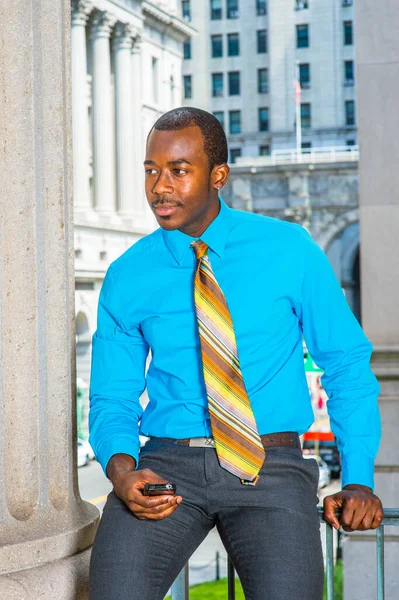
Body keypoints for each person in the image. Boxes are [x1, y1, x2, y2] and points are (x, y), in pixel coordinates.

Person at [88, 107, 383, 600]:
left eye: (178, 171)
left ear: (218, 175)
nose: (160, 187)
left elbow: (346, 364)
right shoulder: (127, 273)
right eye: (151, 170)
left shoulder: (289, 249)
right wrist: (122, 470)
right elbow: (112, 397)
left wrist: (357, 479)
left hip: (270, 465)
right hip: (166, 466)